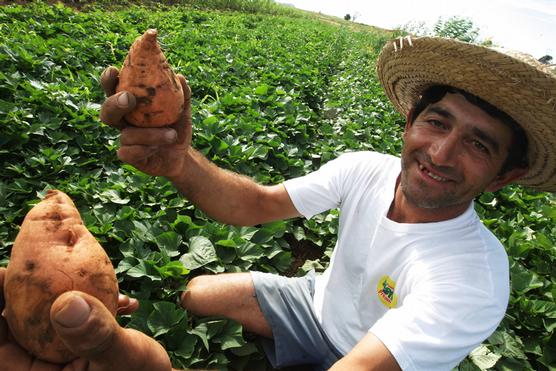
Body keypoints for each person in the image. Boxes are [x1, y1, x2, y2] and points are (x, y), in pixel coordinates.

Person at [96, 36, 555, 371]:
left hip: (367, 355)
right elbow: (256, 204)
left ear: (504, 176)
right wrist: (179, 161)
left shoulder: (471, 279)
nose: (440, 153)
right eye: (437, 122)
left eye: (479, 145)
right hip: (315, 305)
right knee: (196, 294)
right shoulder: (365, 170)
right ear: (411, 120)